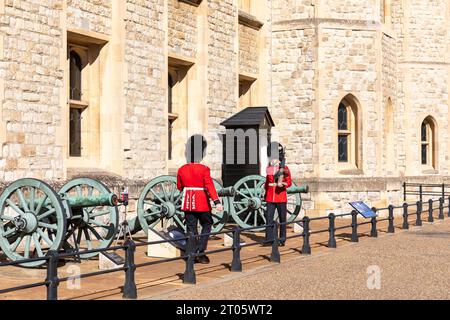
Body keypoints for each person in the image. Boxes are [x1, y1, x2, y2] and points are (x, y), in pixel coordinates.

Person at [177, 135, 223, 264]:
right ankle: (200, 252)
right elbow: (209, 186)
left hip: (188, 202)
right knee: (207, 225)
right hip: (202, 202)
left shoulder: (182, 169)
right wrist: (217, 202)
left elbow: (179, 187)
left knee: (191, 228)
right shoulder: (204, 169)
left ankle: (191, 253)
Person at [263, 142, 292, 247]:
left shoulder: (285, 168)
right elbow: (267, 182)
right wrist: (265, 192)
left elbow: (289, 182)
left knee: (282, 219)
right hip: (270, 196)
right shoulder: (269, 168)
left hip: (280, 196)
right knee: (269, 218)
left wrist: (283, 184)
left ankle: (282, 239)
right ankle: (269, 239)